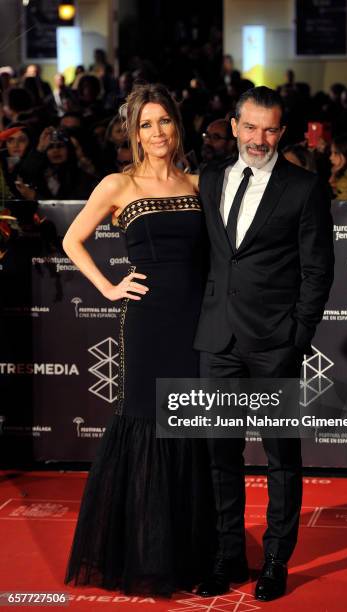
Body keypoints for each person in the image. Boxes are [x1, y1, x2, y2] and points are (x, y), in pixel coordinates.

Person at [63, 83, 215, 596]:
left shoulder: (198, 184)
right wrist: (109, 286)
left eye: (164, 122)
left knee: (189, 429)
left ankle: (192, 550)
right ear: (133, 132)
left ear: (177, 126)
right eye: (146, 125)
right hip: (148, 320)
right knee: (147, 424)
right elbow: (71, 239)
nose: (156, 133)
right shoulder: (117, 184)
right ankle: (146, 553)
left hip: (197, 322)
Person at [194, 86, 334, 601]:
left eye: (270, 129)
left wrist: (297, 336)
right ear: (233, 126)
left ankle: (275, 560)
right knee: (219, 454)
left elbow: (319, 271)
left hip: (276, 343)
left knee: (280, 457)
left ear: (283, 131)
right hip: (218, 340)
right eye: (250, 127)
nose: (260, 138)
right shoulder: (210, 178)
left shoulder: (303, 187)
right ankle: (229, 555)